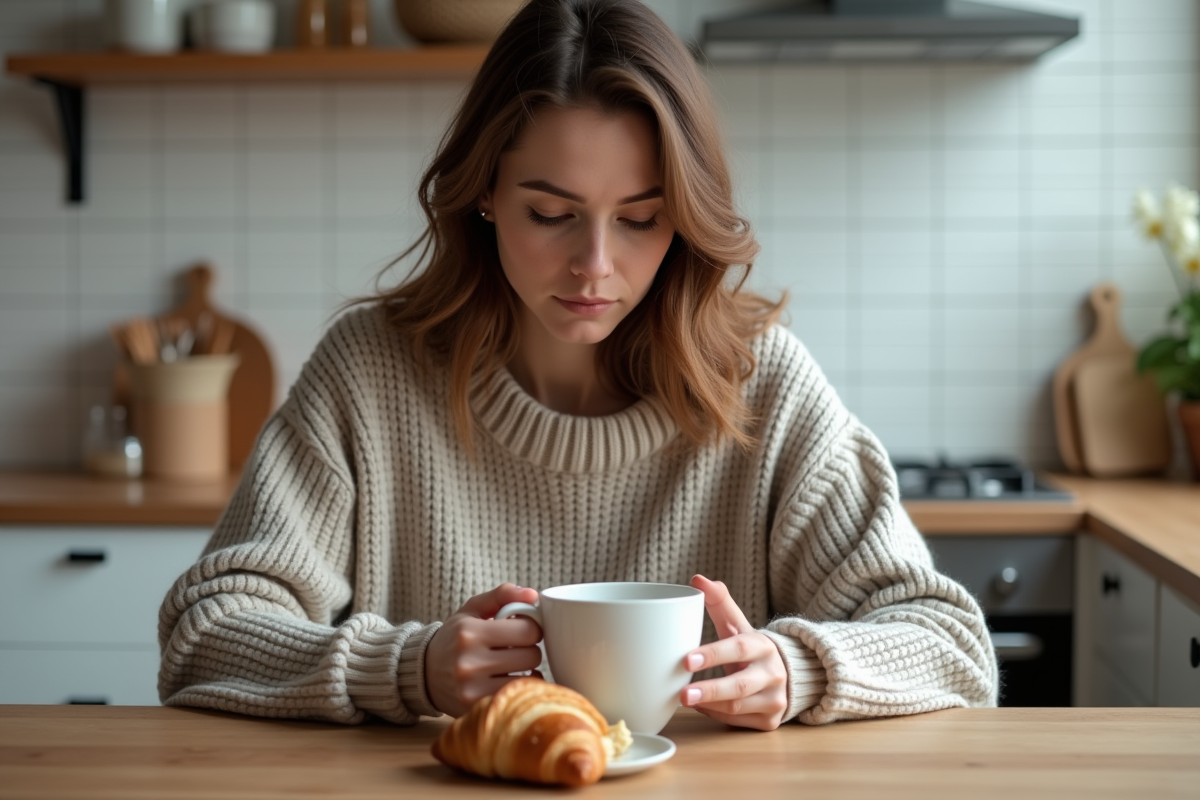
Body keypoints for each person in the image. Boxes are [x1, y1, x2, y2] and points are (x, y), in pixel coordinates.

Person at [158, 0, 997, 731]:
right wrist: (409, 668)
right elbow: (204, 637)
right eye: (551, 213)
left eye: (641, 218)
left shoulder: (764, 384)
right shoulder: (369, 374)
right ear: (485, 192)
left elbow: (954, 649)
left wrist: (800, 670)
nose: (594, 265)